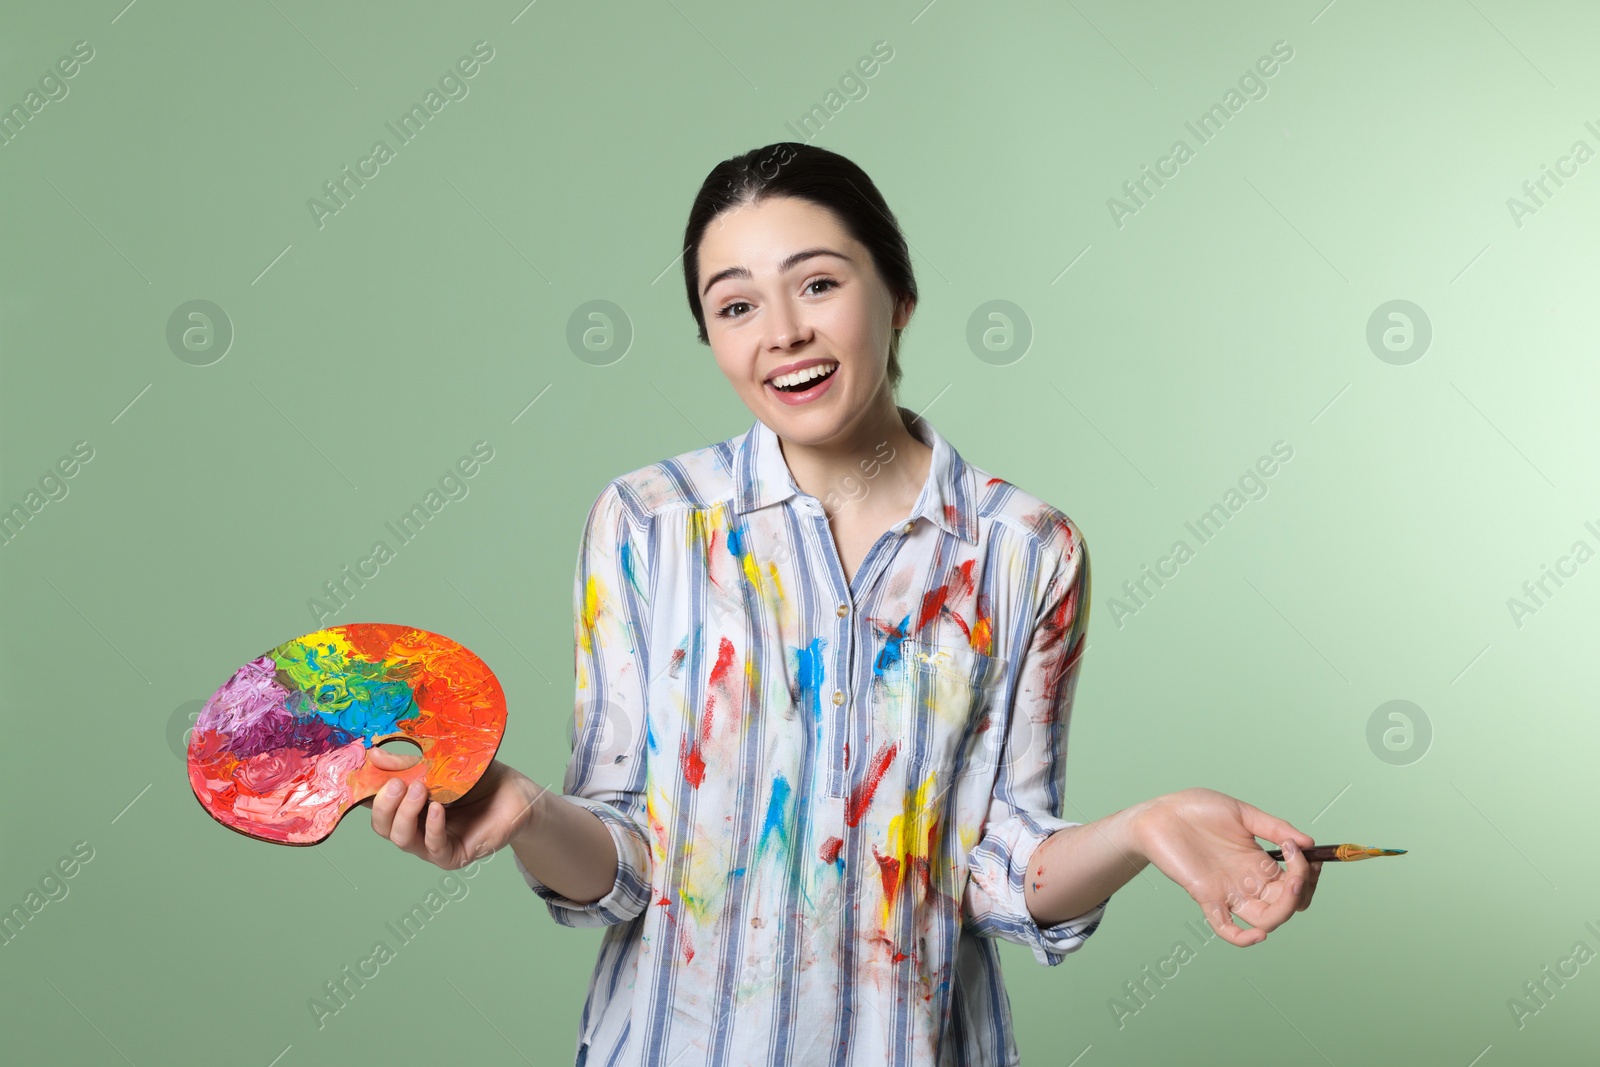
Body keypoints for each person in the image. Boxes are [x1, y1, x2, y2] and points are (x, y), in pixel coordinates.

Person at [363, 142, 1323, 1065]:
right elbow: (622, 864)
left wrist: (1142, 829)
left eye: (818, 283)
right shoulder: (649, 523)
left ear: (898, 297)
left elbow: (996, 870)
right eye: (735, 305)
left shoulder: (1025, 550)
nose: (782, 331)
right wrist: (528, 813)